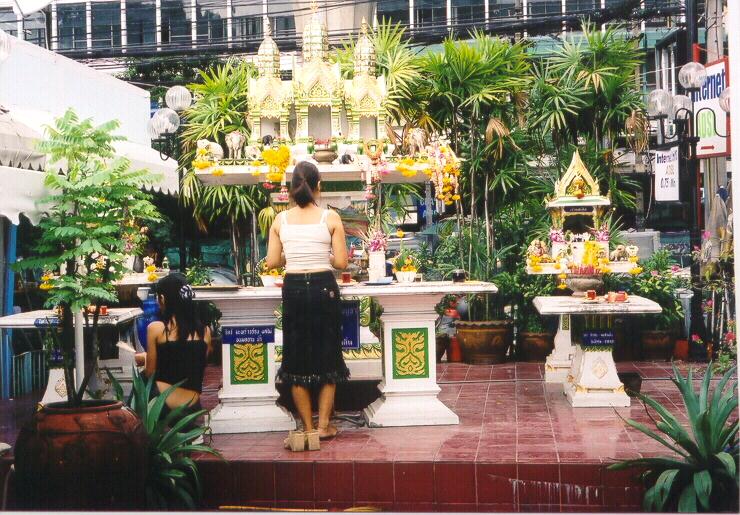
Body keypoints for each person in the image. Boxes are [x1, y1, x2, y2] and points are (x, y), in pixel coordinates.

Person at [266, 161, 350, 447]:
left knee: (296, 357)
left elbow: (272, 262)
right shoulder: (331, 218)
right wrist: (320, 254)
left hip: (294, 290)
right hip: (323, 287)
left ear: (290, 190)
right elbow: (341, 262)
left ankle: (307, 426)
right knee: (328, 355)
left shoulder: (280, 221)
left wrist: (295, 253)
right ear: (318, 187)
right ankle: (325, 426)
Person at [135, 273, 212, 418]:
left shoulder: (156, 329)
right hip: (192, 404)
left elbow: (150, 372)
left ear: (162, 298)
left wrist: (145, 359)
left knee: (140, 378)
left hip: (164, 405)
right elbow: (194, 363)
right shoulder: (205, 331)